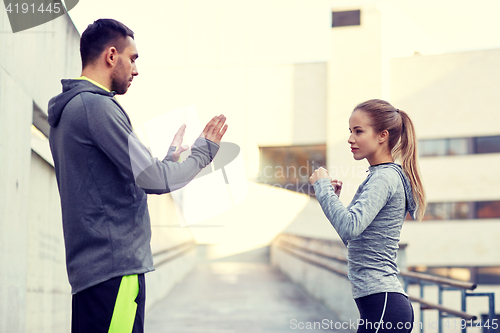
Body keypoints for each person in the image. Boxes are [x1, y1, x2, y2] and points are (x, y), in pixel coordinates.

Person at [47, 19, 228, 333]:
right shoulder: (96, 107)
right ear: (111, 55)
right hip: (113, 271)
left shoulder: (70, 110)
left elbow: (112, 182)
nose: (136, 69)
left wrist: (169, 160)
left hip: (94, 274)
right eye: (133, 58)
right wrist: (203, 153)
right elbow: (155, 180)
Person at [309, 99, 426, 333]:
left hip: (383, 304)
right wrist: (333, 200)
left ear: (382, 135)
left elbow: (349, 228)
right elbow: (354, 240)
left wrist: (322, 188)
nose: (351, 139)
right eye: (350, 132)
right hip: (380, 304)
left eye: (358, 131)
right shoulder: (379, 176)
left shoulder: (384, 178)